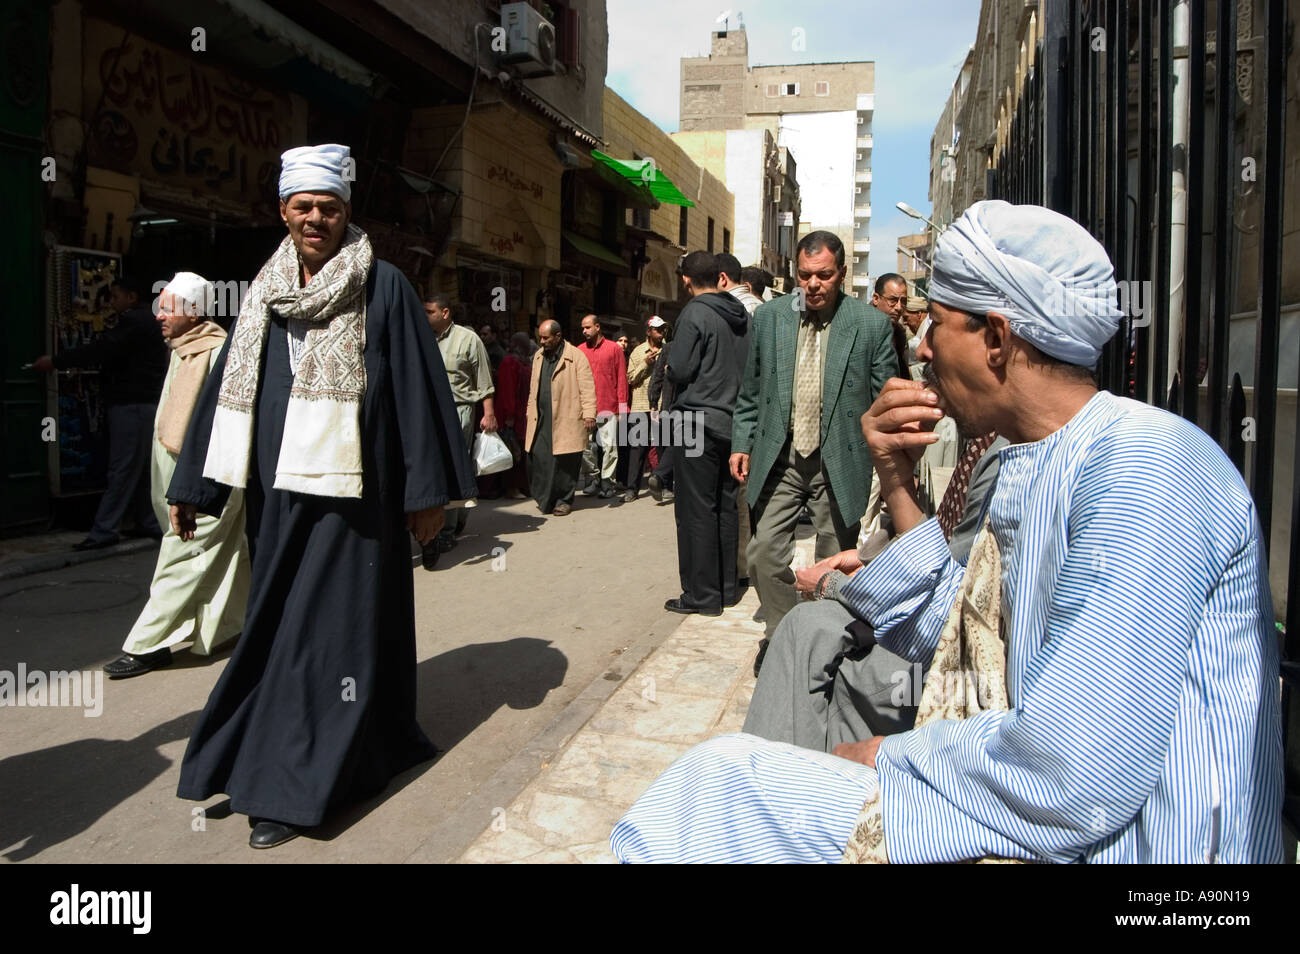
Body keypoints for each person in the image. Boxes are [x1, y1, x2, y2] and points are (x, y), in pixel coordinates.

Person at [611, 200, 1283, 864]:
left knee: (718, 788)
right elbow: (963, 637)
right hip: (1042, 813)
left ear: (996, 337)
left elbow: (1073, 776)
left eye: (934, 324)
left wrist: (895, 758)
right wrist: (895, 476)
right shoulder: (1039, 458)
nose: (922, 347)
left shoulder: (1145, 468)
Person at [166, 143, 478, 850]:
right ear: (284, 211)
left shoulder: (386, 287)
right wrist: (196, 485)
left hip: (355, 503)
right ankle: (278, 753)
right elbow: (226, 393)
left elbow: (416, 394)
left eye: (329, 209)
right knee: (278, 629)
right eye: (304, 207)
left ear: (346, 214)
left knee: (324, 638)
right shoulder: (264, 294)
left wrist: (426, 493)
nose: (316, 220)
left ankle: (293, 787)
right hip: (278, 502)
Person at [741, 428, 1005, 750]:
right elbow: (948, 558)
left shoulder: (1013, 459)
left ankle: (805, 780)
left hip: (954, 668)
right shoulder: (992, 439)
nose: (930, 384)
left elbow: (945, 617)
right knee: (805, 626)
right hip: (940, 618)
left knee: (813, 640)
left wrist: (833, 584)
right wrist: (872, 561)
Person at [731, 230, 898, 660]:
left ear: (842, 273)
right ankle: (782, 635)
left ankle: (823, 644)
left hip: (839, 462)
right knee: (763, 554)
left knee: (832, 561)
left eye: (824, 275)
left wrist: (891, 461)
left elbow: (886, 400)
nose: (813, 285)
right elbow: (750, 390)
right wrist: (741, 442)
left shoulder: (870, 325)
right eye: (805, 275)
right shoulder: (770, 318)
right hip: (781, 457)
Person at [105, 273, 250, 678]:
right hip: (175, 474)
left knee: (182, 552)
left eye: (168, 307)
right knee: (226, 549)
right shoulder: (183, 349)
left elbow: (223, 424)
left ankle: (148, 644)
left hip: (204, 479)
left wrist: (196, 486)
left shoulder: (218, 351)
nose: (159, 316)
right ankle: (233, 625)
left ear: (194, 310)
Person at [32, 275, 169, 549]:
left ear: (131, 297)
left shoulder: (134, 322)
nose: (111, 302)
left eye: (116, 296)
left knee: (124, 467)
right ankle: (146, 521)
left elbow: (101, 349)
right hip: (144, 402)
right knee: (140, 467)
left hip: (132, 404)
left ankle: (105, 529)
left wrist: (56, 361)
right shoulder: (147, 322)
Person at [664, 251, 749, 615]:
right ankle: (726, 588)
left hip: (694, 423)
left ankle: (701, 596)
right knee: (725, 507)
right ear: (720, 276)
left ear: (686, 280)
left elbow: (680, 368)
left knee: (696, 510)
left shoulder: (695, 312)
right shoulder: (741, 314)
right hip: (732, 423)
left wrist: (668, 365)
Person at [425, 294, 496, 561]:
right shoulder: (423, 338)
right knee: (434, 468)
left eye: (429, 311)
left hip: (460, 411)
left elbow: (484, 381)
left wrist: (488, 414)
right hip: (430, 412)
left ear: (445, 313)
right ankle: (439, 519)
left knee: (454, 468)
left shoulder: (469, 339)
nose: (425, 316)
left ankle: (448, 529)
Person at [525, 319, 596, 516]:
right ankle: (545, 498)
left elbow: (587, 388)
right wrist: (529, 411)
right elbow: (533, 389)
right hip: (541, 418)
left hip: (567, 417)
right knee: (540, 459)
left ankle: (564, 500)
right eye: (540, 337)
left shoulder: (577, 357)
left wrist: (589, 414)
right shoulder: (538, 356)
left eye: (546, 338)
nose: (541, 341)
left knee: (566, 461)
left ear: (558, 337)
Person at [577, 314, 628, 499]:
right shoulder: (580, 350)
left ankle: (608, 482)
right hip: (586, 408)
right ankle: (592, 479)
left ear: (597, 327)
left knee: (610, 448)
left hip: (609, 406)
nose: (584, 331)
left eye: (588, 327)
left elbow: (621, 378)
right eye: (583, 328)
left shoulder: (614, 349)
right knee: (585, 447)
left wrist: (622, 408)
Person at [622, 317, 665, 502]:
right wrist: (645, 363)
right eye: (657, 329)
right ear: (648, 331)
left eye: (663, 329)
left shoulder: (668, 349)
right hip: (641, 406)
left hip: (662, 405)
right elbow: (631, 378)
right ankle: (632, 488)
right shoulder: (638, 352)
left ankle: (663, 485)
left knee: (662, 446)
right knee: (637, 449)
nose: (661, 332)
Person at [495, 331, 534, 500]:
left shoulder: (524, 363)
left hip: (523, 415)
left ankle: (522, 486)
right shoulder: (510, 362)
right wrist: (509, 415)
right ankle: (511, 488)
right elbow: (507, 390)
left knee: (520, 452)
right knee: (512, 452)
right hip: (511, 416)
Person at [646, 320, 676, 503]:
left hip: (668, 405)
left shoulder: (669, 348)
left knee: (666, 444)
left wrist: (653, 403)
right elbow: (658, 375)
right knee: (676, 444)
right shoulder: (673, 349)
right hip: (680, 405)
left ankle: (664, 483)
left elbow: (656, 377)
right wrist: (653, 403)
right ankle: (662, 479)